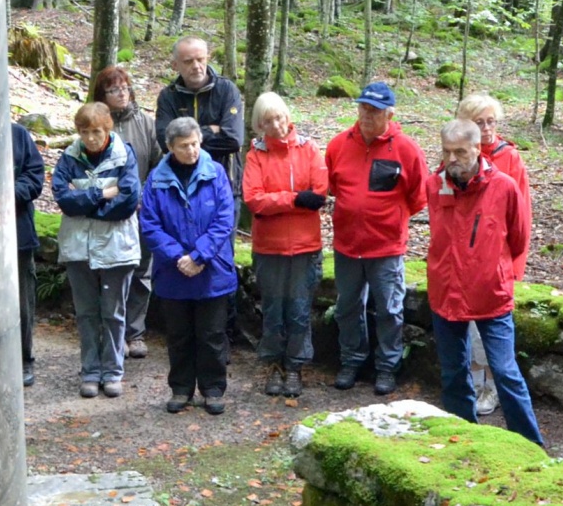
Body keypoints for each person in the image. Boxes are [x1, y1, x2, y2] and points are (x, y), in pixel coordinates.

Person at [424, 118, 544, 445]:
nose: (452, 160)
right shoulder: (434, 184)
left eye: (460, 152)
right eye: (446, 152)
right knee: (453, 373)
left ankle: (530, 446)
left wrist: (491, 266)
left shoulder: (503, 186)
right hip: (446, 292)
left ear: (477, 149)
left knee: (505, 372)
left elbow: (518, 240)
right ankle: (462, 439)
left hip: (491, 293)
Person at [324, 81, 428, 395]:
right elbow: (331, 186)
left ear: (390, 113)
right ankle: (352, 361)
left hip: (386, 247)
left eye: (376, 111)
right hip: (347, 245)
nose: (368, 116)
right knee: (348, 307)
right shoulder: (339, 144)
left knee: (389, 310)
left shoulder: (406, 149)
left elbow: (418, 197)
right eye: (363, 108)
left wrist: (387, 218)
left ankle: (386, 367)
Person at [138, 116, 237, 414]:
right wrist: (179, 257)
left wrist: (198, 256)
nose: (191, 150)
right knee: (179, 335)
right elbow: (150, 225)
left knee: (212, 334)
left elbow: (224, 219)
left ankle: (213, 388)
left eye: (195, 144)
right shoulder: (156, 179)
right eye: (184, 146)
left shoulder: (216, 172)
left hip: (212, 271)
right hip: (173, 272)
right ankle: (181, 388)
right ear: (170, 147)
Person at [53, 104, 142, 399]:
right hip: (79, 247)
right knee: (87, 312)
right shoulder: (69, 156)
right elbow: (64, 199)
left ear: (108, 130)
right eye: (85, 132)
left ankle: (113, 371)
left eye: (97, 131)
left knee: (114, 312)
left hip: (117, 247)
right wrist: (103, 194)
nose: (91, 138)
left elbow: (128, 200)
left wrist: (86, 206)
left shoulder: (124, 154)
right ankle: (90, 371)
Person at [242, 92, 328, 398]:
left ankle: (295, 367)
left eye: (279, 117)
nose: (276, 125)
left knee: (300, 310)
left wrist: (276, 200)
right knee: (273, 309)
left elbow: (318, 193)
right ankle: (273, 366)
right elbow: (254, 199)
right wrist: (293, 199)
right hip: (269, 248)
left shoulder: (308, 149)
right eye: (268, 121)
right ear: (259, 125)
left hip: (305, 246)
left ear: (287, 116)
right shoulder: (256, 155)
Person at [455, 93, 531, 416]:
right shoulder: (456, 155)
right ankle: (472, 384)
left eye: (491, 122)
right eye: (478, 122)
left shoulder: (510, 159)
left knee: (494, 331)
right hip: (463, 262)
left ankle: (493, 388)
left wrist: (515, 267)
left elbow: (522, 217)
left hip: (496, 262)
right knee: (467, 328)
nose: (486, 129)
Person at [92, 65, 160, 356]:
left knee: (142, 270)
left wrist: (146, 196)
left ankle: (136, 332)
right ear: (102, 95)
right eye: (113, 90)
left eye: (125, 88)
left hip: (141, 208)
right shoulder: (96, 122)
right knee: (108, 271)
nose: (121, 94)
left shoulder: (145, 122)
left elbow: (158, 163)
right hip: (104, 210)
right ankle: (109, 330)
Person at [153, 37, 244, 181]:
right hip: (181, 182)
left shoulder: (226, 90)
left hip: (224, 180)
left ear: (208, 58)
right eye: (188, 61)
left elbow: (234, 139)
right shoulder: (168, 96)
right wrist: (212, 130)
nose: (196, 66)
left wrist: (183, 141)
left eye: (200, 59)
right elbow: (165, 142)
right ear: (175, 65)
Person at [12, 120, 46, 388]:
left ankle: (24, 359)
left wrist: (5, 194)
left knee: (22, 301)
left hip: (17, 234)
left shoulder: (18, 134)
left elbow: (35, 177)